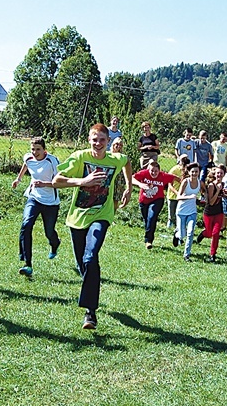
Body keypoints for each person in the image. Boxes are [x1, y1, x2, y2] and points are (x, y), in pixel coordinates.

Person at [52, 123, 132, 330]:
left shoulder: (114, 160)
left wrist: (129, 187)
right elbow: (56, 180)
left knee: (91, 257)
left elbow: (127, 162)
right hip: (77, 218)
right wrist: (83, 181)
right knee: (83, 265)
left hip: (102, 215)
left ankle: (90, 313)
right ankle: (91, 289)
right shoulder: (80, 157)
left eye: (102, 140)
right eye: (94, 140)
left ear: (108, 141)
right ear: (89, 140)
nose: (98, 144)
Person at [12, 137, 61, 277]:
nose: (34, 152)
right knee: (26, 224)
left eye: (38, 149)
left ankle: (55, 243)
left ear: (44, 150)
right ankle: (27, 263)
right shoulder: (28, 158)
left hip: (50, 202)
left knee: (49, 232)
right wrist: (18, 179)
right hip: (33, 197)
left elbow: (60, 182)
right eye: (32, 149)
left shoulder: (52, 161)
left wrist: (44, 184)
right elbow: (26, 165)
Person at [133, 161, 179, 249]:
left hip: (157, 200)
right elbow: (132, 178)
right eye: (152, 171)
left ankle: (148, 241)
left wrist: (186, 186)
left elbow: (177, 179)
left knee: (152, 216)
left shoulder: (163, 176)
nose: (154, 173)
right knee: (147, 220)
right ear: (148, 170)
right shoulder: (144, 173)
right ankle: (149, 234)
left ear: (159, 171)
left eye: (156, 171)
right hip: (144, 201)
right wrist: (140, 184)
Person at [197, 166, 226, 262]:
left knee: (216, 233)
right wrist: (217, 191)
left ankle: (213, 254)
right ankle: (203, 233)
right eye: (218, 173)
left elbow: (224, 196)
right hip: (209, 212)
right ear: (215, 174)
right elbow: (211, 202)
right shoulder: (211, 185)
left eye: (221, 173)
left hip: (219, 212)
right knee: (209, 233)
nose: (219, 175)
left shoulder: (223, 184)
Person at [175, 162, 201, 261]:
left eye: (196, 172)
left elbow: (204, 192)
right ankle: (177, 234)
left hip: (192, 212)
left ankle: (186, 255)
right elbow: (178, 197)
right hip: (181, 211)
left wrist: (203, 199)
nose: (194, 174)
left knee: (190, 233)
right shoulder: (185, 182)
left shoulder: (199, 182)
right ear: (189, 172)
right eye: (193, 172)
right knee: (182, 235)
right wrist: (190, 197)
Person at [167, 154, 190, 230]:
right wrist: (177, 193)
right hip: (173, 195)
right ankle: (169, 226)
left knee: (180, 213)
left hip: (183, 196)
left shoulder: (189, 171)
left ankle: (179, 227)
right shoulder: (174, 169)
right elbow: (169, 184)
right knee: (171, 214)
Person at [110, 138, 128, 211]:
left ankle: (113, 212)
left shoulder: (122, 156)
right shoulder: (108, 154)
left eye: (120, 145)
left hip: (119, 179)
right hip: (111, 177)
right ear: (113, 145)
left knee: (116, 198)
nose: (118, 146)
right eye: (117, 144)